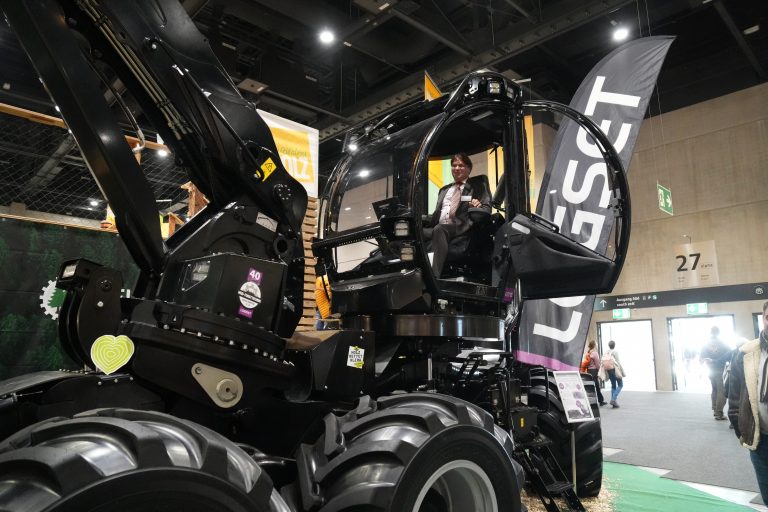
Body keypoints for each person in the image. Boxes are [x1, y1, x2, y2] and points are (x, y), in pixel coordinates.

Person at [422, 153, 491, 277]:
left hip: (459, 226)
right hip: (439, 227)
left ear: (469, 168)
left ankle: (433, 277)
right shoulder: (444, 190)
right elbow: (437, 214)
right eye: (454, 165)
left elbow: (486, 208)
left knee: (440, 229)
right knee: (411, 231)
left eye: (461, 165)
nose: (457, 168)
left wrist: (477, 206)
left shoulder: (477, 186)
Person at [728, 302, 768, 503]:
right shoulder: (746, 353)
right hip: (761, 441)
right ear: (763, 318)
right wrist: (742, 428)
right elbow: (734, 396)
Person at [701, 326, 731, 420]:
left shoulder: (706, 343)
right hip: (720, 369)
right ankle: (719, 413)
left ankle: (715, 410)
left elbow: (701, 358)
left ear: (711, 332)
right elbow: (730, 355)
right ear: (718, 332)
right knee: (721, 391)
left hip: (710, 370)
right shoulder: (723, 343)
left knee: (714, 389)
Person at [601, 340, 624, 408]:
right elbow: (618, 363)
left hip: (609, 370)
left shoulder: (606, 352)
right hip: (615, 370)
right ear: (614, 345)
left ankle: (614, 403)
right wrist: (621, 371)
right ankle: (613, 399)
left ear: (609, 346)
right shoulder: (615, 352)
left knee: (613, 385)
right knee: (620, 384)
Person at [586, 340, 607, 406]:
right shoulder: (595, 353)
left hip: (589, 371)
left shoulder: (589, 352)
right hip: (594, 371)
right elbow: (597, 364)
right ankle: (600, 401)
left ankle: (596, 401)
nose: (597, 345)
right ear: (594, 345)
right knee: (597, 386)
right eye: (596, 344)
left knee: (592, 386)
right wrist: (600, 370)